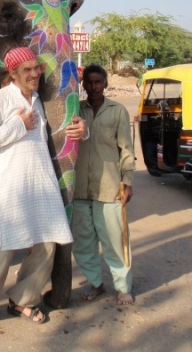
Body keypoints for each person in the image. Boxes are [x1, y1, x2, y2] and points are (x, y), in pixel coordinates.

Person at [0, 47, 87, 334]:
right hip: (9, 189)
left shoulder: (41, 101)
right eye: (27, 69)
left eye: (36, 68)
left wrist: (83, 128)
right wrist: (18, 125)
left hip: (41, 186)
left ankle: (22, 300)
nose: (34, 74)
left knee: (46, 246)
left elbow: (62, 130)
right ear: (13, 73)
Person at [72, 63, 136, 306]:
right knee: (83, 242)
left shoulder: (117, 111)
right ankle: (95, 283)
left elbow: (126, 149)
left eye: (98, 82)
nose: (93, 86)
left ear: (106, 84)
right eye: (89, 82)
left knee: (115, 240)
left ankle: (122, 287)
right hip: (79, 189)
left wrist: (127, 181)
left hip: (109, 187)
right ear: (83, 85)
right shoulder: (76, 109)